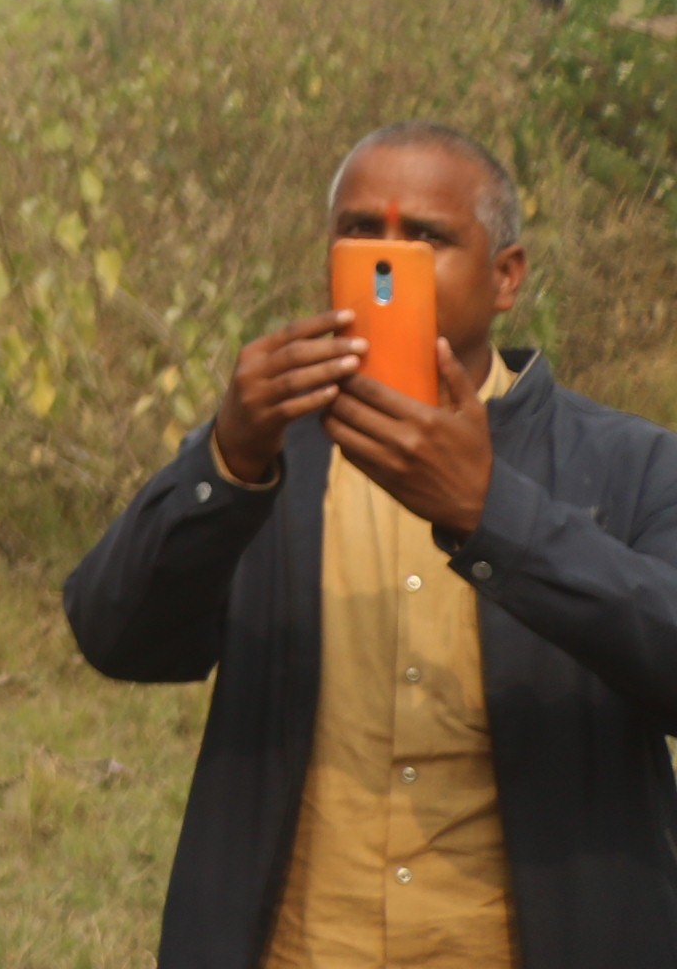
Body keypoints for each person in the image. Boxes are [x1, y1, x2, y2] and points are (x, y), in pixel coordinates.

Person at [64, 123, 677, 968]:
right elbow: (115, 635)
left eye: (427, 236)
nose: (390, 261)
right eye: (360, 231)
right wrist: (225, 463)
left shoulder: (631, 462)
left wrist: (492, 512)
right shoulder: (270, 451)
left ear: (506, 277)